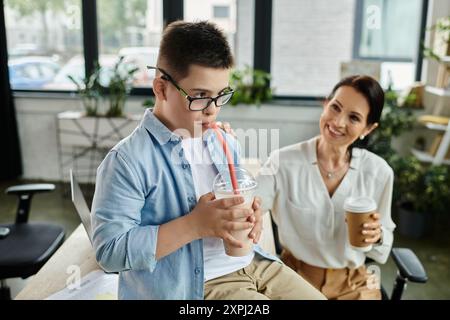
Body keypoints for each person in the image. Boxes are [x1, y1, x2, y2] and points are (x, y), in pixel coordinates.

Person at [91, 20, 325, 300]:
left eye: (220, 96)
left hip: (254, 263)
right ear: (161, 88)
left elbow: (234, 200)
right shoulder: (127, 160)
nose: (213, 111)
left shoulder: (222, 141)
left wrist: (251, 218)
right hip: (195, 285)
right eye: (200, 96)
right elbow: (110, 253)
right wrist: (195, 224)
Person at [255, 75, 396, 300]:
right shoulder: (283, 161)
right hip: (294, 278)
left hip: (354, 283)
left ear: (368, 129)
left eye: (354, 117)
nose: (338, 122)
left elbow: (383, 243)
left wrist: (377, 236)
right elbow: (248, 205)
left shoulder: (379, 173)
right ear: (325, 105)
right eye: (335, 108)